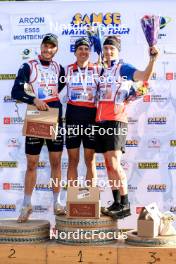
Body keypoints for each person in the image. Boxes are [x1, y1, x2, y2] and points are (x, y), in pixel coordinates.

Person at [95, 36, 159, 219]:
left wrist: (153, 59)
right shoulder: (100, 70)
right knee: (108, 164)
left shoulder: (123, 67)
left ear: (118, 51)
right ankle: (116, 202)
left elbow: (145, 77)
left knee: (115, 162)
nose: (108, 51)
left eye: (112, 49)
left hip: (116, 120)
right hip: (100, 121)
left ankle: (125, 203)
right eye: (106, 48)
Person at [11, 33, 65, 222]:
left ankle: (58, 202)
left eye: (52, 47)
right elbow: (16, 91)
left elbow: (58, 90)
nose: (47, 49)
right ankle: (26, 205)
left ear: (56, 50)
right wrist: (34, 99)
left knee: (56, 162)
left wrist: (48, 103)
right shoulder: (28, 66)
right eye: (45, 46)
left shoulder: (60, 68)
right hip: (36, 114)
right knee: (32, 163)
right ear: (40, 46)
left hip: (54, 115)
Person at [65, 37, 98, 186]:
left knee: (90, 159)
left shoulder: (98, 69)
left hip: (91, 117)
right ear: (75, 51)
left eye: (86, 49)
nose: (83, 51)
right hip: (73, 116)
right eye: (80, 49)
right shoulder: (66, 70)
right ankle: (73, 198)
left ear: (89, 52)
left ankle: (90, 199)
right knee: (73, 159)